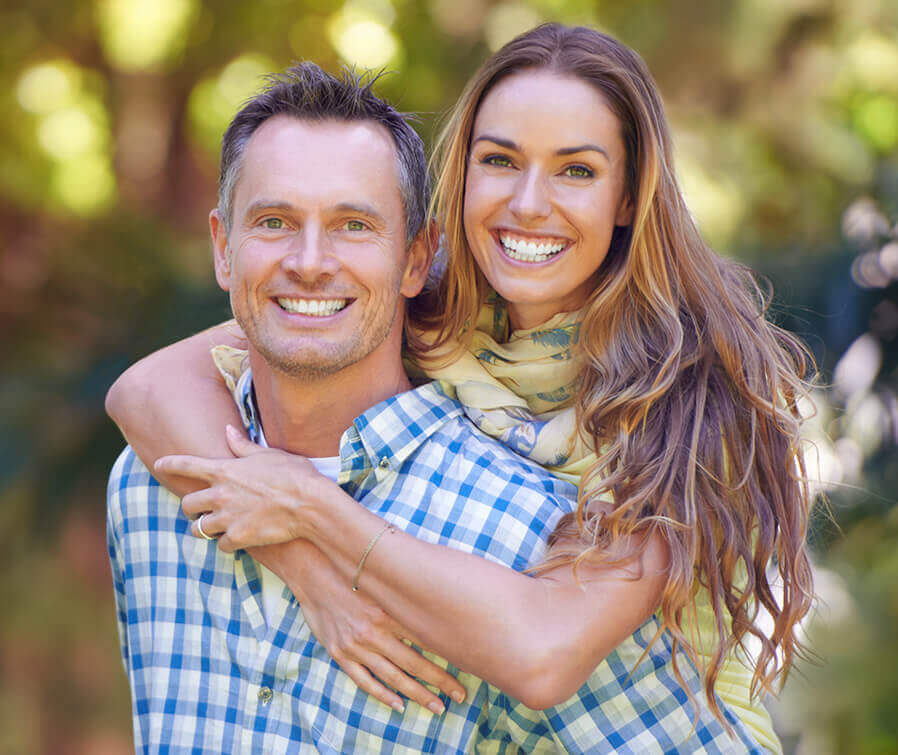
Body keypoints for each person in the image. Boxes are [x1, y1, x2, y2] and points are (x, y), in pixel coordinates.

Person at [109, 24, 815, 753]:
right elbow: (150, 384)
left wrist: (311, 508)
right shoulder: (430, 312)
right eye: (500, 160)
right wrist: (310, 577)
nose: (529, 203)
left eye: (576, 171)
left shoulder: (688, 403)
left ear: (629, 196)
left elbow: (543, 653)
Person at [107, 62, 589, 752]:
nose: (308, 261)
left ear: (416, 258)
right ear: (223, 248)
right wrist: (311, 568)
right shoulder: (144, 485)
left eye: (353, 225)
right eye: (274, 221)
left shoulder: (526, 536)